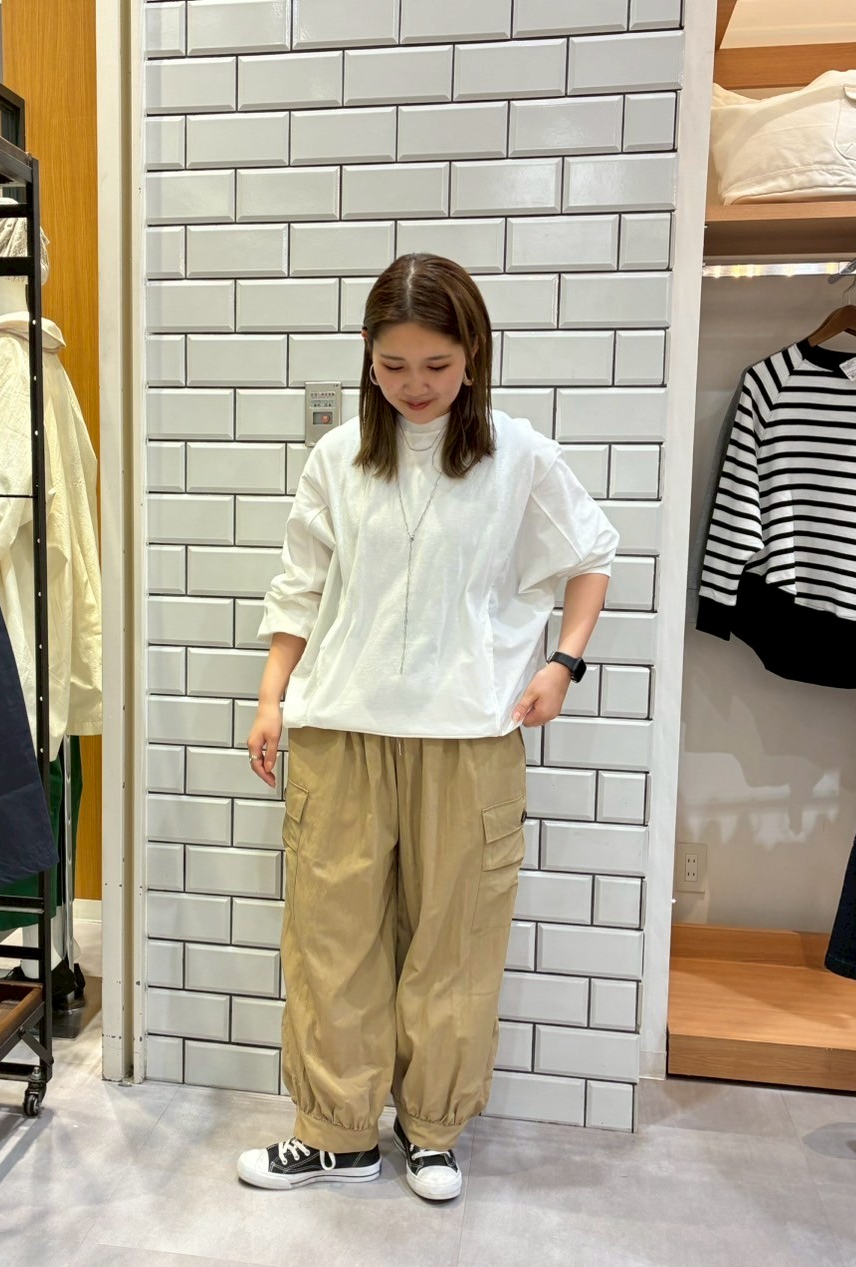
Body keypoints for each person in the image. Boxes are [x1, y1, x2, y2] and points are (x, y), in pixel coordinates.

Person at [236, 254, 619, 1202]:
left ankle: (434, 1131)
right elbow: (300, 588)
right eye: (394, 364)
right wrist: (272, 696)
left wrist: (563, 664)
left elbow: (592, 554)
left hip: (470, 737)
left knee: (456, 940)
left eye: (437, 365)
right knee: (331, 940)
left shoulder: (519, 456)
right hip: (340, 732)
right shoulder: (337, 458)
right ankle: (336, 1135)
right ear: (368, 358)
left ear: (473, 354)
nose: (414, 385)